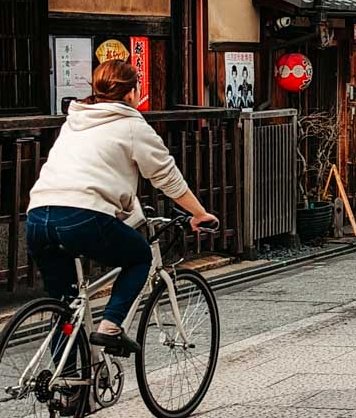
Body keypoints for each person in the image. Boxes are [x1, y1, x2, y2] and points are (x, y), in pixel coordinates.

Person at [26, 59, 218, 356]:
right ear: (130, 93)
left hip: (38, 215)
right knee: (140, 256)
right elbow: (166, 176)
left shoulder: (75, 119)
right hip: (82, 215)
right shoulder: (130, 124)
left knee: (67, 304)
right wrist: (198, 212)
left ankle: (69, 387)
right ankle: (111, 326)